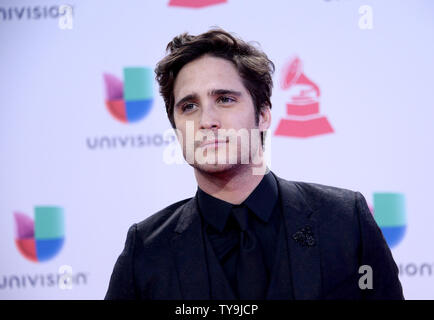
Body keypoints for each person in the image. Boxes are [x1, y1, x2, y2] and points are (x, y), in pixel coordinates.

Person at [105, 28, 404, 300]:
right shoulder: (145, 251)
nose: (206, 121)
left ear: (262, 115)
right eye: (189, 106)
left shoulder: (345, 221)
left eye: (224, 99)